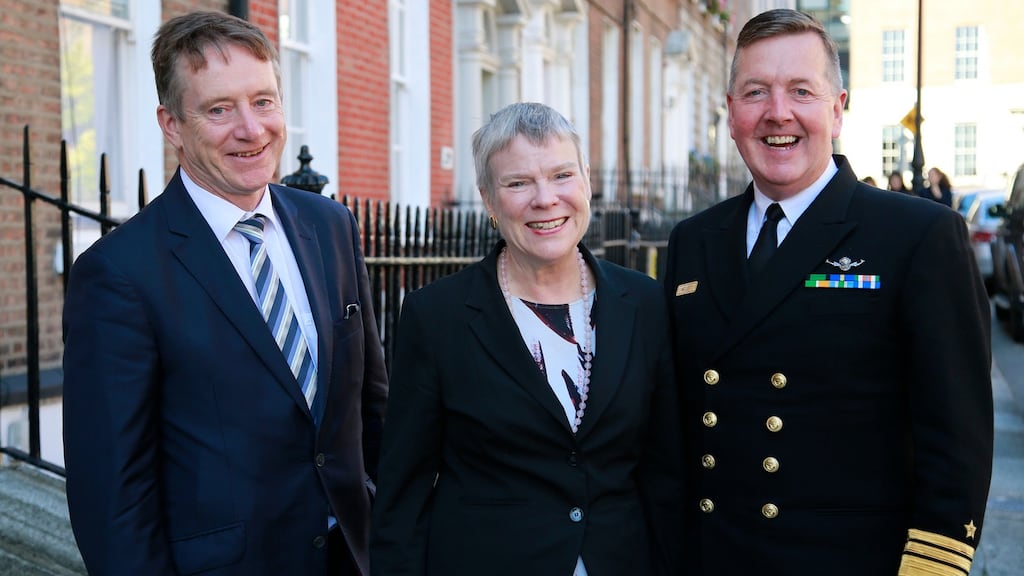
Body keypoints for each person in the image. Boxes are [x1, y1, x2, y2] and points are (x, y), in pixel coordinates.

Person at [663, 9, 992, 575]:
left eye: (801, 91)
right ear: (731, 111)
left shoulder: (916, 235)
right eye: (755, 92)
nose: (777, 113)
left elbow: (955, 435)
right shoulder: (693, 241)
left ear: (838, 110)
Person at [62, 11, 388, 576]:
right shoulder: (118, 274)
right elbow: (112, 496)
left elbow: (373, 410)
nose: (251, 128)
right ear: (171, 125)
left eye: (264, 101)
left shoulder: (331, 226)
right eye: (219, 109)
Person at [370, 102, 682, 575]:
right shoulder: (437, 317)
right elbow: (403, 492)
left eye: (561, 175)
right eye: (518, 183)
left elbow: (666, 473)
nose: (545, 199)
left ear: (587, 180)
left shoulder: (645, 304)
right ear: (489, 200)